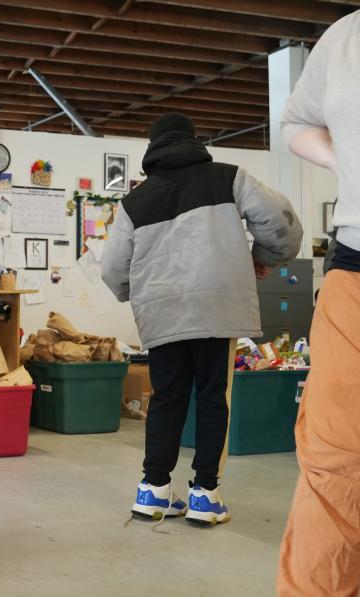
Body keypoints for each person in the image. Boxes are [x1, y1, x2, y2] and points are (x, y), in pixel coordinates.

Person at [102, 113, 302, 528]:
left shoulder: (134, 201)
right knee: (213, 397)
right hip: (218, 307)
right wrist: (262, 258)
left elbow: (112, 268)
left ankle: (152, 490)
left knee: (166, 396)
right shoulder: (229, 177)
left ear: (151, 148)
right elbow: (280, 221)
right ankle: (204, 495)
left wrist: (134, 293)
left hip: (162, 311)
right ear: (194, 140)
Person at [275, 12, 360, 596]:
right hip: (356, 268)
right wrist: (343, 163)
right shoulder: (348, 34)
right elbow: (297, 120)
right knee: (334, 458)